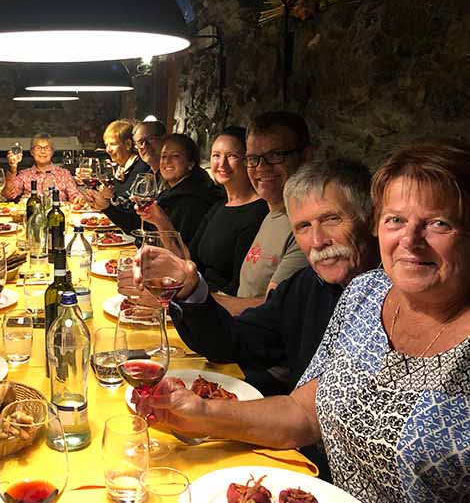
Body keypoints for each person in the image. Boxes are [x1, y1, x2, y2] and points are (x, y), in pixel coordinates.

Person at [140, 140, 470, 503]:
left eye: (439, 223)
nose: (410, 240)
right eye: (396, 220)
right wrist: (201, 413)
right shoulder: (366, 293)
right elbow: (303, 413)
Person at [168, 158, 378, 395]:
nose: (318, 241)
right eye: (304, 227)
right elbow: (231, 342)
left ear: (370, 220)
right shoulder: (304, 286)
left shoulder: (403, 299)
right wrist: (189, 290)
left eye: (331, 219)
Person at [215, 111, 312, 314]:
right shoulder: (271, 214)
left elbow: (273, 308)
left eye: (275, 155)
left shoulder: (307, 226)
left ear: (305, 157)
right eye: (253, 158)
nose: (261, 167)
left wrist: (192, 298)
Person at [190, 127, 268, 295]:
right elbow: (191, 259)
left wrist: (193, 301)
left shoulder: (258, 212)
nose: (222, 164)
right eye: (216, 155)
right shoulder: (219, 206)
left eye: (232, 156)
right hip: (197, 295)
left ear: (248, 161)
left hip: (220, 306)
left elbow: (239, 285)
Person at [136, 134, 224, 245]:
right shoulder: (169, 193)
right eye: (163, 156)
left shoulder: (193, 201)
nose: (167, 161)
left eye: (175, 156)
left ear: (191, 163)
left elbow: (182, 251)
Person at [82, 119, 151, 234]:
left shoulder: (142, 171)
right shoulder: (120, 170)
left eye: (113, 144)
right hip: (121, 231)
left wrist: (107, 206)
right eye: (106, 145)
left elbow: (134, 219)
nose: (108, 150)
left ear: (128, 144)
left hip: (135, 238)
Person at [3, 133, 84, 203]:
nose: (42, 151)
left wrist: (78, 200)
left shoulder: (64, 173)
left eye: (47, 148)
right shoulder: (24, 174)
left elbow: (75, 196)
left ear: (52, 152)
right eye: (38, 148)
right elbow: (9, 194)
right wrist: (13, 167)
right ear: (32, 152)